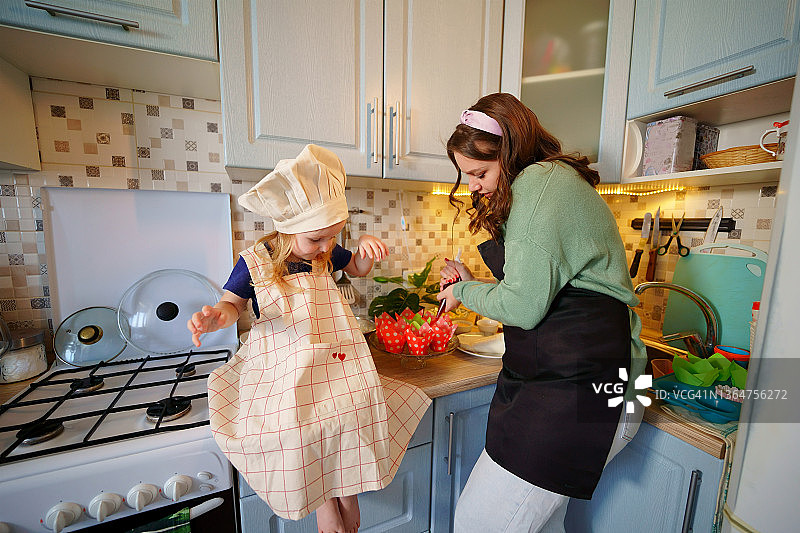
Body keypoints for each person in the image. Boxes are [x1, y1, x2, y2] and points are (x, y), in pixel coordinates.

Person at [189, 144, 431, 533]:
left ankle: (347, 489)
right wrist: (217, 316)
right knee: (298, 427)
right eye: (317, 239)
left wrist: (365, 252)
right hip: (281, 367)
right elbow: (231, 305)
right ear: (287, 228)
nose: (326, 248)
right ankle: (324, 500)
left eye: (333, 238)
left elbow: (357, 267)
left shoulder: (325, 249)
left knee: (354, 411)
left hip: (332, 358)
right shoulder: (255, 262)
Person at [437, 93, 647, 532]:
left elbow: (522, 307)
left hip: (584, 390)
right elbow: (537, 289)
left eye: (480, 172)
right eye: (467, 175)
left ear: (511, 152)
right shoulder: (549, 182)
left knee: (478, 524)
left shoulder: (539, 184)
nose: (472, 186)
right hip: (573, 384)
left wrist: (463, 290)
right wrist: (470, 284)